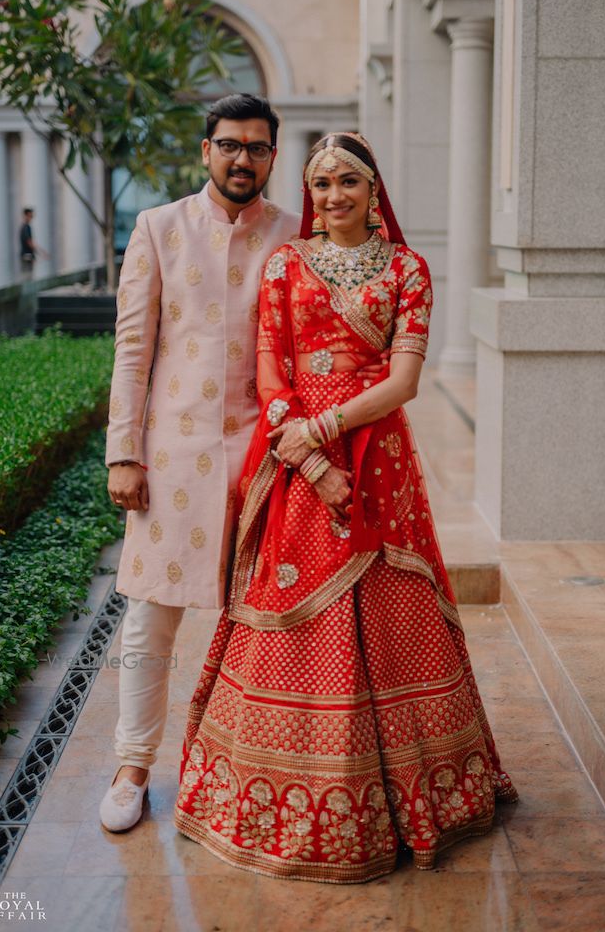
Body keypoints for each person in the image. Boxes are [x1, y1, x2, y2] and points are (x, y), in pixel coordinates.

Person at [174, 132, 517, 882]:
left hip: (375, 458)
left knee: (393, 602)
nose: (333, 198)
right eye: (321, 184)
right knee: (295, 605)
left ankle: (414, 795)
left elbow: (404, 383)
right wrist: (302, 454)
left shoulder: (407, 269)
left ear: (373, 190)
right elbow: (271, 367)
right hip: (297, 456)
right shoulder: (285, 265)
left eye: (348, 184)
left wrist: (325, 435)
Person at [99, 94, 303, 833]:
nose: (241, 158)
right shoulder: (158, 229)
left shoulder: (297, 232)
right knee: (150, 619)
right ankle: (132, 765)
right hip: (172, 456)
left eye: (256, 146)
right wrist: (124, 452)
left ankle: (249, 760)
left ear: (274, 157)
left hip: (266, 457)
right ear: (205, 150)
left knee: (267, 619)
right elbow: (132, 350)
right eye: (228, 144)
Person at [18, 207, 48, 277]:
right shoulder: (26, 227)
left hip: (26, 255)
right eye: (29, 216)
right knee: (28, 276)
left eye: (31, 216)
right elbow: (29, 242)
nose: (31, 218)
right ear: (25, 215)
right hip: (27, 256)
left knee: (27, 275)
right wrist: (41, 252)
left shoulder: (24, 227)